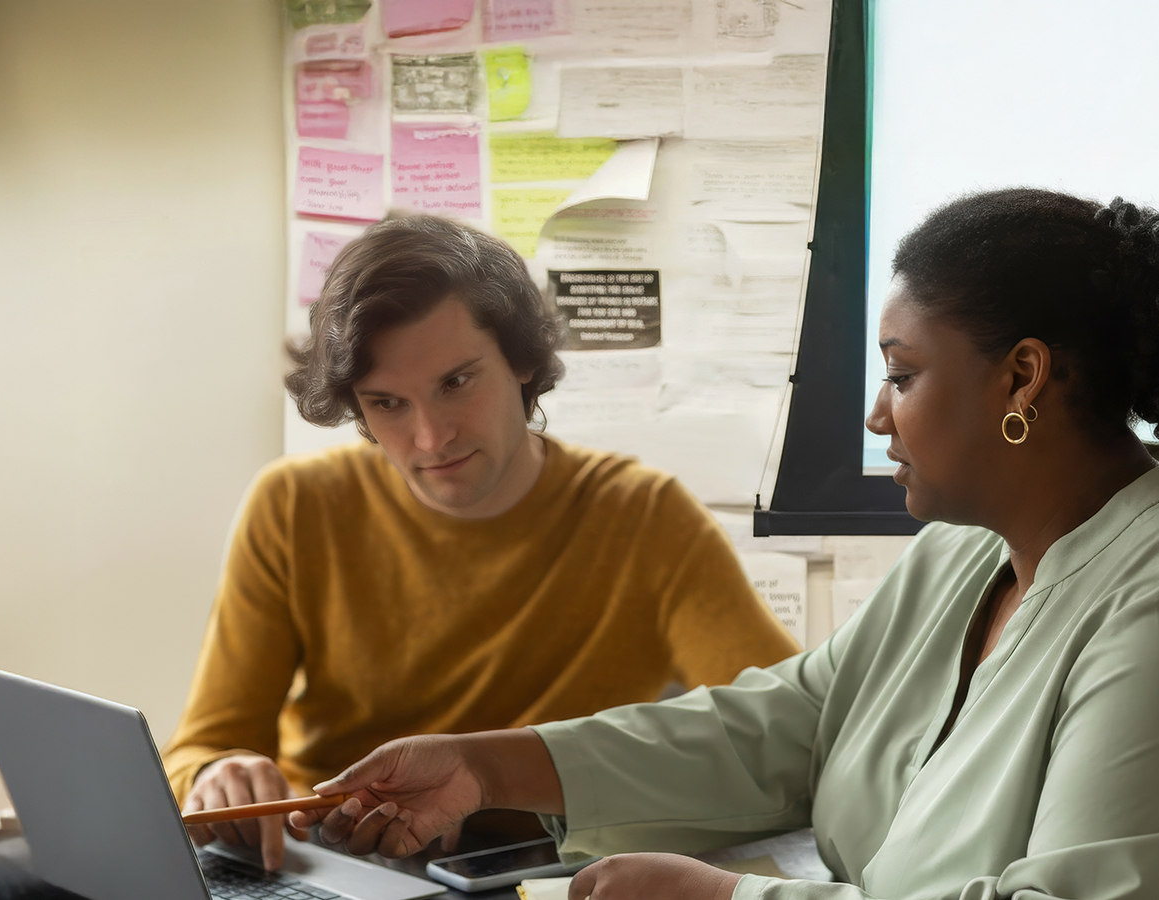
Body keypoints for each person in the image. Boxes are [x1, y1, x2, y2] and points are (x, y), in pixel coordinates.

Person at [287, 183, 1159, 900]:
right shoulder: (967, 555)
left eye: (903, 374)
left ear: (1022, 379)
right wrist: (487, 766)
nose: (877, 415)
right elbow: (788, 728)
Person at [162, 214, 801, 871]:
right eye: (387, 403)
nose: (430, 439)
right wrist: (218, 774)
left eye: (456, 383)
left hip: (543, 868)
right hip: (328, 864)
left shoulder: (643, 515)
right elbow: (198, 752)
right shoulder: (295, 504)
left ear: (521, 360)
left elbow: (798, 733)